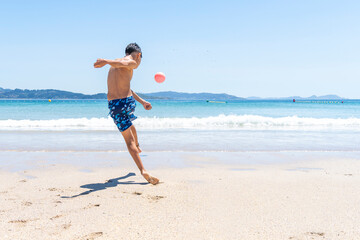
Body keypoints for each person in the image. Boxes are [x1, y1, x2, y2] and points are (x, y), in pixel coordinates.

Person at [94, 43, 159, 185]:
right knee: (130, 133)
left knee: (129, 132)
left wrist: (142, 102)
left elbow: (128, 86)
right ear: (139, 55)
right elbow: (127, 62)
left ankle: (139, 152)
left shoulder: (115, 65)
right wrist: (105, 61)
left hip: (115, 106)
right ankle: (142, 167)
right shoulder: (130, 62)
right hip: (125, 104)